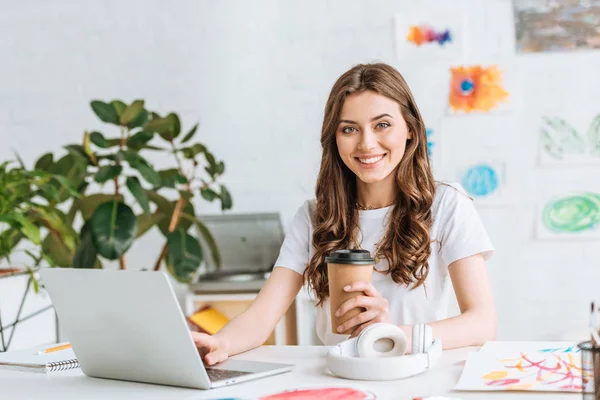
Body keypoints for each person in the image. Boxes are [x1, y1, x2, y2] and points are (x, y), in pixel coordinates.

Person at [193, 62, 497, 366]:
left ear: (410, 130)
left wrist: (394, 336)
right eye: (349, 129)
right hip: (340, 380)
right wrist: (220, 343)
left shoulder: (446, 204)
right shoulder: (315, 217)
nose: (366, 143)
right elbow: (261, 317)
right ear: (334, 138)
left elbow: (482, 322)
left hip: (416, 374)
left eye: (382, 125)